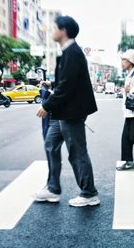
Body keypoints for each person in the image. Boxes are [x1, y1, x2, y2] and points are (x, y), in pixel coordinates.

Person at [34, 15, 99, 207]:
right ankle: (53, 188)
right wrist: (52, 83)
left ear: (63, 30)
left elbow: (68, 87)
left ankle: (89, 193)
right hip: (62, 112)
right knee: (50, 144)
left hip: (71, 112)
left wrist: (46, 105)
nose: (52, 30)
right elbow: (67, 81)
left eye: (54, 27)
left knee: (77, 152)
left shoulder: (72, 52)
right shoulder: (68, 52)